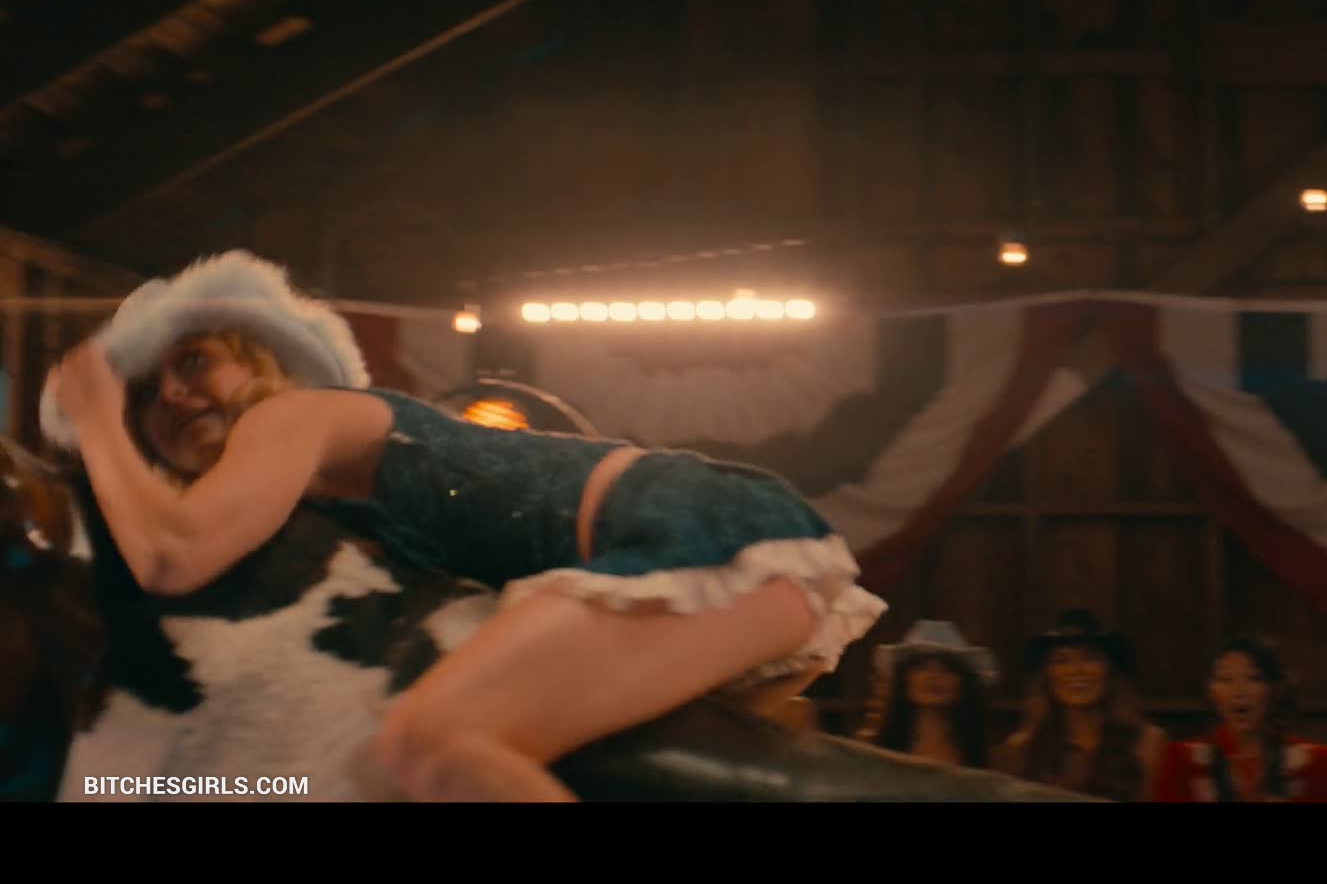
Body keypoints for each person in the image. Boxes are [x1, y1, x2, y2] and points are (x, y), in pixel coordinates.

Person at [40, 250, 888, 802]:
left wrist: (96, 412)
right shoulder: (314, 501)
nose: (172, 394)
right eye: (146, 396)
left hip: (691, 531)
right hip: (719, 536)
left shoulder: (293, 417)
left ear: (259, 359)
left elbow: (171, 553)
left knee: (432, 739)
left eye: (192, 362)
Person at [992, 609, 1166, 800]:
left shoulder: (1146, 740)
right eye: (1061, 660)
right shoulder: (1022, 746)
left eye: (1090, 658)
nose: (1076, 670)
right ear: (1047, 676)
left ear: (1110, 671)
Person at [1151, 634, 1327, 802]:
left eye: (1253, 678)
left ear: (1275, 689)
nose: (1239, 692)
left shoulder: (1316, 763)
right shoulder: (1182, 761)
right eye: (1225, 679)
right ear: (1210, 692)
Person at [861, 620, 998, 768]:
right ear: (905, 677)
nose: (933, 676)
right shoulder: (873, 746)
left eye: (946, 668)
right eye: (922, 667)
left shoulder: (981, 749)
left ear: (963, 681)